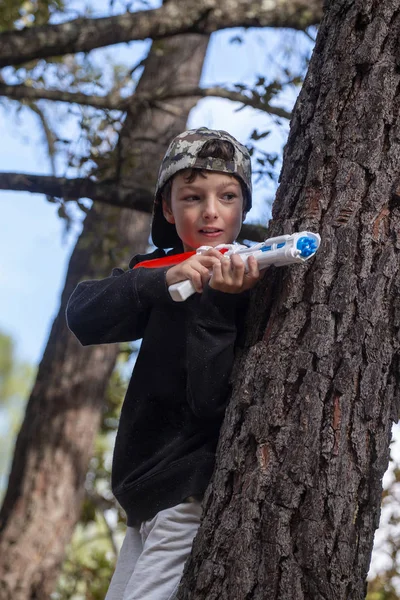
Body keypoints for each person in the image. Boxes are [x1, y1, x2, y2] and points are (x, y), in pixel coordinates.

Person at [66, 127, 262, 600]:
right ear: (169, 209)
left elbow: (210, 400)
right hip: (140, 493)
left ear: (244, 206)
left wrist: (217, 305)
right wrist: (164, 279)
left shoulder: (246, 279)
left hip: (185, 491)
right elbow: (83, 314)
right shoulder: (160, 268)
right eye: (192, 197)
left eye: (228, 195)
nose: (211, 211)